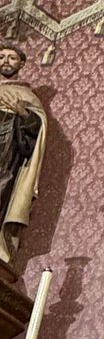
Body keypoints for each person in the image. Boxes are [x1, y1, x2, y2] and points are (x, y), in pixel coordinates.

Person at [0, 41, 47, 266]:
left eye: (12, 58)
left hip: (6, 154)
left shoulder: (27, 96)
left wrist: (22, 113)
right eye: (2, 57)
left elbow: (37, 131)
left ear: (21, 64)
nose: (5, 61)